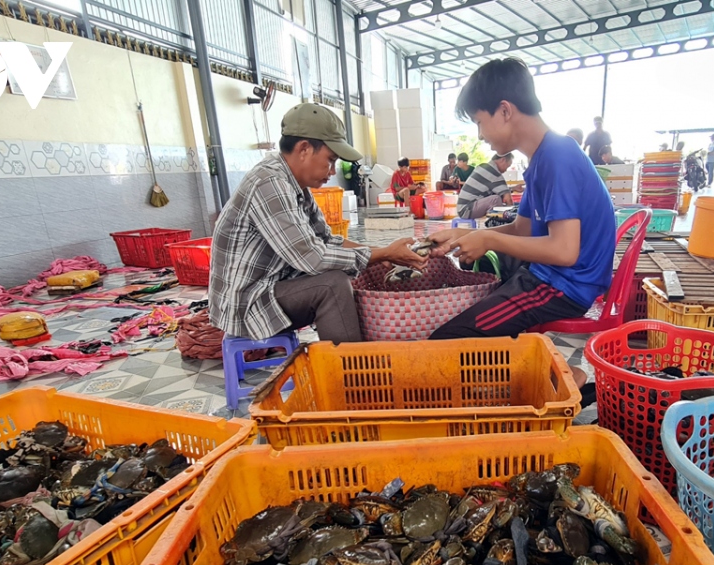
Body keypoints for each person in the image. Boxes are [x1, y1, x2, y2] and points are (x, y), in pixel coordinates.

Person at [425, 58, 615, 405]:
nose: (480, 134)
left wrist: (491, 239)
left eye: (480, 122)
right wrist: (464, 235)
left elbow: (564, 251)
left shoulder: (558, 157)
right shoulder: (542, 159)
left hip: (562, 287)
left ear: (505, 110)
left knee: (446, 344)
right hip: (547, 278)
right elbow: (524, 229)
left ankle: (556, 383)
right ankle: (556, 379)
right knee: (469, 325)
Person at [209, 103, 427, 345]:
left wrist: (381, 256)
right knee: (332, 285)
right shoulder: (269, 183)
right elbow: (313, 258)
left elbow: (328, 241)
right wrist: (380, 253)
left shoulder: (297, 187)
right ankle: (351, 375)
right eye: (330, 160)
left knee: (360, 267)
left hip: (272, 286)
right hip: (247, 303)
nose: (332, 171)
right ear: (304, 149)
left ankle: (369, 349)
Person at [457, 152, 515, 219]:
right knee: (495, 200)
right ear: (503, 160)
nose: (506, 170)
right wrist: (513, 216)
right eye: (507, 166)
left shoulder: (484, 167)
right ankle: (499, 226)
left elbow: (496, 189)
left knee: (498, 201)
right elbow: (508, 199)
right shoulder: (494, 172)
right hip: (466, 210)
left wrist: (513, 188)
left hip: (464, 208)